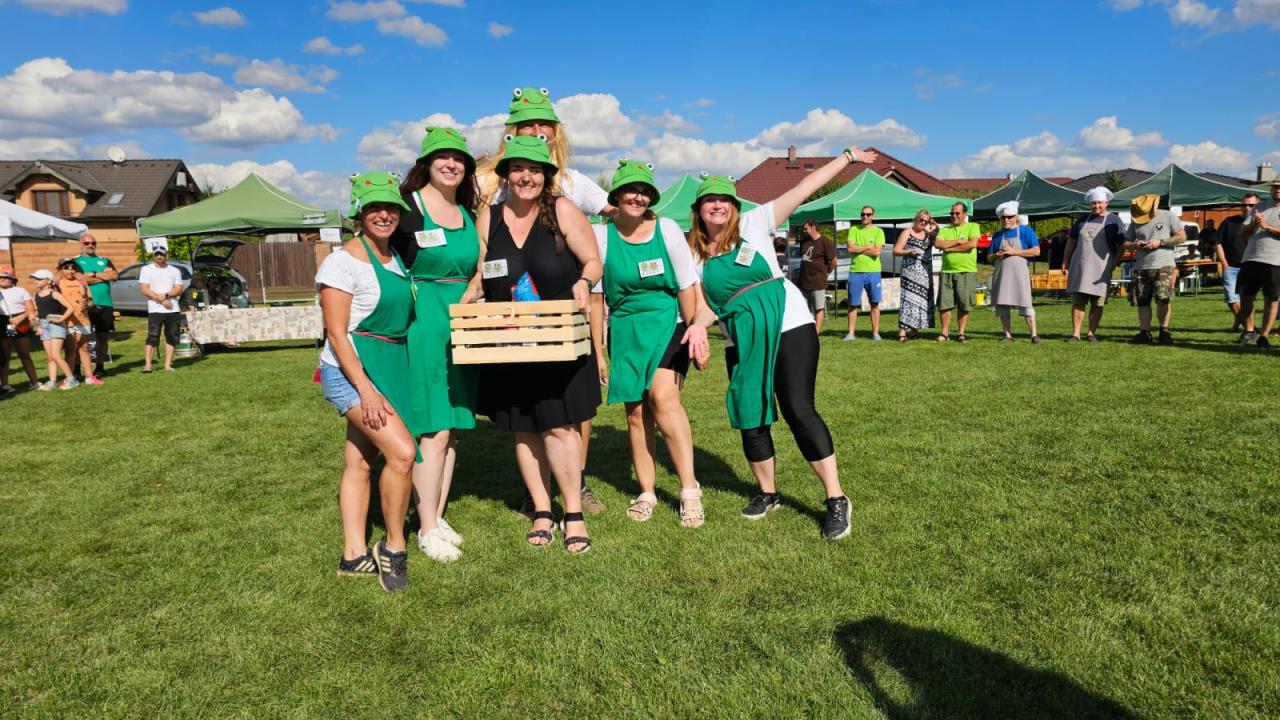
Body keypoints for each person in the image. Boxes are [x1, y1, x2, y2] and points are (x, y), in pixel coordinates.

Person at [687, 143, 879, 540]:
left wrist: (846, 158)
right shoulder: (695, 255)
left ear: (734, 206)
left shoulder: (756, 222)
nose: (718, 206)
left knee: (798, 408)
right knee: (752, 414)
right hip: (741, 340)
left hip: (790, 325)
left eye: (725, 200)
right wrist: (697, 327)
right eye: (710, 200)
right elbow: (708, 307)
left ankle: (836, 498)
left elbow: (804, 187)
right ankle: (768, 493)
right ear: (699, 209)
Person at [479, 87, 611, 515]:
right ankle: (540, 506)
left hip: (560, 338)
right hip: (511, 341)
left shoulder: (565, 208)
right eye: (518, 169)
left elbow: (593, 260)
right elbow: (480, 270)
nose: (526, 177)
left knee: (562, 424)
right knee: (524, 428)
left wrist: (585, 281)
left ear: (546, 173)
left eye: (534, 170)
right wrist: (468, 295)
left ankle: (572, 505)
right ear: (505, 174)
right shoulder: (489, 215)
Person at [316, 171, 420, 592]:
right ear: (360, 212)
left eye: (391, 207)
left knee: (360, 461)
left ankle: (352, 555)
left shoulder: (395, 256)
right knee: (402, 453)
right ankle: (393, 547)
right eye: (374, 207)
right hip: (350, 372)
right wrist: (367, 390)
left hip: (388, 365)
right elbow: (337, 334)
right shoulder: (340, 262)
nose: (384, 215)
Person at [590, 160, 707, 527]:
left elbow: (686, 286)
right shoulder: (600, 236)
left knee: (663, 397)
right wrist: (598, 352)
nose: (638, 197)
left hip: (669, 323)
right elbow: (596, 299)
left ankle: (689, 488)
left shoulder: (667, 229)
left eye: (644, 192)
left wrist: (695, 331)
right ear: (617, 195)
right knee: (636, 412)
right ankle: (647, 491)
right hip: (625, 329)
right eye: (631, 190)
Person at [390, 127, 482, 563]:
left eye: (458, 159)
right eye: (442, 157)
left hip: (462, 325)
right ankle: (425, 528)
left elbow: (480, 266)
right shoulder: (408, 209)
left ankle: (437, 515)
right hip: (424, 323)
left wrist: (476, 287)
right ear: (426, 164)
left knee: (453, 428)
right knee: (433, 427)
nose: (451, 165)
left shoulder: (467, 212)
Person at [1063, 187, 1126, 342]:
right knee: (1078, 302)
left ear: (1106, 203)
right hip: (1080, 266)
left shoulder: (1114, 220)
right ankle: (1076, 334)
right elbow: (1071, 241)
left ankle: (1091, 333)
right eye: (1093, 203)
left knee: (1097, 303)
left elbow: (1122, 245)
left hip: (1101, 268)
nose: (1096, 206)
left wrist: (1115, 262)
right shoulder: (1082, 220)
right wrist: (1066, 260)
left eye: (1099, 203)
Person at [1124, 194, 1184, 345]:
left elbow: (1182, 237)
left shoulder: (1168, 216)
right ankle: (1144, 333)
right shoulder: (1135, 219)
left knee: (1163, 300)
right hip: (1141, 266)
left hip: (1164, 266)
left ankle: (1164, 331)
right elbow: (1126, 243)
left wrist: (1160, 242)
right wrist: (1135, 245)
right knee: (1142, 301)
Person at [1233, 177, 1280, 348]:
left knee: (1271, 299)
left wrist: (1267, 227)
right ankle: (1250, 330)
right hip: (1251, 258)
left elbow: (1269, 228)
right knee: (1245, 296)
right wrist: (1254, 224)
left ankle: (1264, 336)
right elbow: (1242, 231)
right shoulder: (1259, 206)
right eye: (1275, 187)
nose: (1277, 189)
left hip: (1275, 260)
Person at [988, 202, 1041, 342]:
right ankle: (1007, 335)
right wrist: (996, 255)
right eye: (1003, 217)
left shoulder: (1026, 231)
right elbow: (989, 258)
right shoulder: (997, 235)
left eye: (1009, 217)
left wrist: (1014, 252)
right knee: (1002, 304)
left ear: (1016, 217)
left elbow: (1036, 251)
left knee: (1026, 303)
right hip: (1002, 274)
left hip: (1020, 275)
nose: (1006, 220)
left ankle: (1034, 334)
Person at [73, 233, 117, 377]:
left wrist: (92, 274)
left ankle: (100, 367)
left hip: (105, 304)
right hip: (83, 305)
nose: (90, 245)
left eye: (93, 243)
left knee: (102, 338)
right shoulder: (75, 262)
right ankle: (77, 369)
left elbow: (114, 276)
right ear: (80, 244)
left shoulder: (104, 260)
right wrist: (102, 275)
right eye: (87, 243)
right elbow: (80, 279)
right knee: (80, 339)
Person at [935, 201, 980, 342]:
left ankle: (961, 333)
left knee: (964, 304)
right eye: (952, 213)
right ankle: (944, 333)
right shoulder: (944, 230)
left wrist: (948, 248)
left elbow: (971, 244)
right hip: (947, 271)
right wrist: (959, 241)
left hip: (966, 271)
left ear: (964, 214)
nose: (954, 215)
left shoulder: (973, 226)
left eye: (957, 213)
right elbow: (938, 244)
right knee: (944, 305)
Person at [1219, 194, 1260, 339]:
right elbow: (1218, 243)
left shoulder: (1261, 223)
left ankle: (1245, 327)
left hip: (1252, 266)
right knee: (1231, 299)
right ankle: (1251, 328)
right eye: (1244, 205)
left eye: (1251, 205)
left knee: (1247, 300)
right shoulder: (1229, 222)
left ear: (1258, 206)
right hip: (1231, 267)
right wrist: (1224, 264)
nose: (1247, 208)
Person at [892, 209, 937, 341]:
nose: (923, 223)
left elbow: (939, 241)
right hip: (910, 272)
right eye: (921, 220)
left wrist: (934, 226)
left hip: (924, 273)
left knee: (920, 301)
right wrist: (908, 252)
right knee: (908, 300)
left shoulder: (928, 234)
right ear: (916, 219)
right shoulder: (907, 232)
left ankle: (914, 330)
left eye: (926, 221)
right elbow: (896, 251)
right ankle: (902, 332)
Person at [138, 247, 184, 372]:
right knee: (152, 337)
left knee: (171, 337)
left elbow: (179, 288)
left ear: (166, 255)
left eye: (162, 254)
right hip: (155, 309)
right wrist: (161, 300)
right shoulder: (146, 269)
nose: (159, 256)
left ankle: (168, 365)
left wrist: (166, 295)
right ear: (153, 255)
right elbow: (144, 288)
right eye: (157, 254)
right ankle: (148, 366)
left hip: (173, 309)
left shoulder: (175, 270)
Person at [844, 205, 885, 341]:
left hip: (873, 272)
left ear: (873, 216)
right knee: (853, 304)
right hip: (856, 271)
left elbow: (877, 252)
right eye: (863, 214)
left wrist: (858, 248)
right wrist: (868, 247)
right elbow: (850, 249)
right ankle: (850, 334)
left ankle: (875, 333)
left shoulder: (878, 231)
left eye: (868, 214)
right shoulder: (854, 229)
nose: (865, 216)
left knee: (874, 303)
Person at [30, 269, 75, 390]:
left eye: (39, 279)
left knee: (56, 355)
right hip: (44, 325)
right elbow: (38, 312)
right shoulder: (37, 295)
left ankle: (72, 380)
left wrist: (61, 319)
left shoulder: (54, 293)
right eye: (35, 279)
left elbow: (70, 308)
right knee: (50, 356)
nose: (36, 281)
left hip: (55, 325)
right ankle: (52, 382)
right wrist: (36, 326)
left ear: (49, 281)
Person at [55, 258, 96, 386]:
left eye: (73, 268)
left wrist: (87, 305)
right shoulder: (57, 284)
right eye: (66, 268)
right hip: (67, 321)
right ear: (60, 270)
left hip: (83, 320)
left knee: (84, 348)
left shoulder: (82, 283)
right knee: (70, 349)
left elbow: (90, 301)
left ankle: (89, 377)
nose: (70, 271)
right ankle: (70, 378)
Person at [0, 265, 40, 395]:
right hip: (2, 322)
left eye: (6, 277)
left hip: (21, 322)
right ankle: (5, 385)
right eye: (0, 277)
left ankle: (34, 382)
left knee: (25, 354)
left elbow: (31, 309)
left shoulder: (21, 290)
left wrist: (20, 318)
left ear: (13, 279)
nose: (2, 279)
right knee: (4, 356)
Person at [797, 220, 837, 333]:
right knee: (804, 309)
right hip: (804, 282)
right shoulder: (804, 242)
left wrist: (826, 273)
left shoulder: (825, 242)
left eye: (806, 228)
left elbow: (833, 261)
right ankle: (807, 332)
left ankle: (816, 333)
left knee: (818, 308)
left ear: (813, 227)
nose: (804, 231)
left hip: (818, 282)